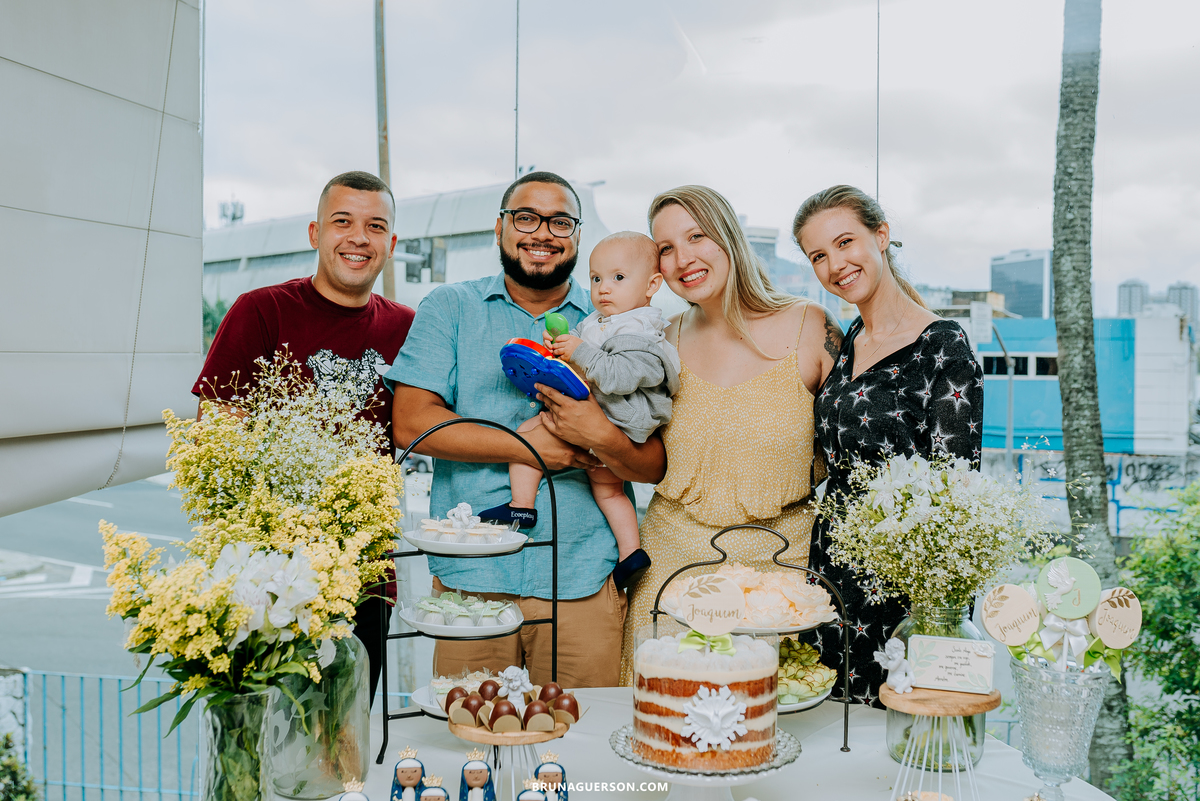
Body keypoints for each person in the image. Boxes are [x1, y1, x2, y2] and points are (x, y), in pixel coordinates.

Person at [387, 171, 666, 688]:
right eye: (526, 217)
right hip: (473, 578)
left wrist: (595, 436)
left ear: (577, 236)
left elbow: (652, 462)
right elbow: (410, 424)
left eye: (560, 221)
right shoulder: (450, 307)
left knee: (578, 749)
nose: (543, 233)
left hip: (583, 577)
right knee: (470, 747)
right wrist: (531, 449)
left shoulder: (619, 321)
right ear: (499, 229)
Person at [193, 171, 415, 705]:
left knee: (349, 730)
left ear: (391, 243)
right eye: (343, 222)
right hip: (269, 571)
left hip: (365, 572)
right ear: (315, 233)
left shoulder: (408, 327)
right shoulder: (262, 310)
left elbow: (431, 424)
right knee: (266, 733)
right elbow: (214, 431)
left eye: (375, 226)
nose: (359, 237)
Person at [614, 185, 841, 685]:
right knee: (666, 728)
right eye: (666, 248)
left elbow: (855, 456)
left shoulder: (811, 326)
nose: (683, 258)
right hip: (670, 578)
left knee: (769, 731)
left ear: (730, 238)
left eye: (697, 236)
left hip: (779, 584)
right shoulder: (658, 342)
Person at [792, 184, 984, 707]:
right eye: (818, 255)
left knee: (897, 735)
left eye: (845, 242)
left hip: (903, 580)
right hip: (831, 567)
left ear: (881, 236)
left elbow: (956, 493)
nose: (835, 263)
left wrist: (936, 616)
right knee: (827, 734)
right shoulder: (848, 339)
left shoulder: (943, 344)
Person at [481, 231, 680, 594]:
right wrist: (559, 350)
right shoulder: (603, 321)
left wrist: (580, 352)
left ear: (652, 284)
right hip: (607, 423)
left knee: (525, 438)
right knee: (609, 493)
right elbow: (586, 362)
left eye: (619, 278)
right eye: (596, 278)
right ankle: (631, 555)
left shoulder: (640, 332)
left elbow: (618, 376)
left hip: (618, 419)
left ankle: (521, 506)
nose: (604, 288)